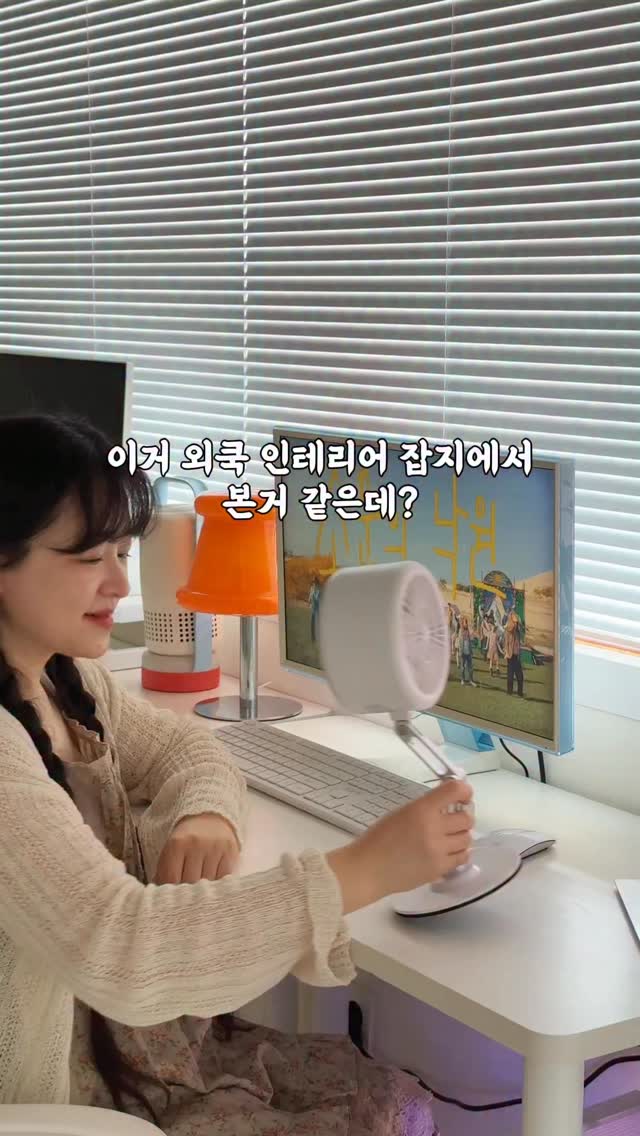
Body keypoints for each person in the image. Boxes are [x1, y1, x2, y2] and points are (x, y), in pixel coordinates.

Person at [0, 414, 474, 1135]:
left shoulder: (65, 680)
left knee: (386, 1099)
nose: (120, 582)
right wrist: (365, 870)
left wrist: (206, 814)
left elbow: (188, 749)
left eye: (124, 552)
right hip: (52, 1102)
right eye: (90, 557)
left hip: (124, 1054)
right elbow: (122, 948)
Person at [504, 611, 524, 696]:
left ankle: (519, 693)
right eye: (515, 622)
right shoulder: (508, 631)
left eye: (516, 623)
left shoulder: (517, 632)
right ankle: (510, 692)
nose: (516, 624)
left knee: (520, 676)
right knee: (510, 675)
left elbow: (519, 643)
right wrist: (506, 652)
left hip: (516, 655)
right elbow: (506, 643)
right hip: (510, 655)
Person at [458, 617, 477, 687]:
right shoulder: (461, 631)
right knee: (462, 667)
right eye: (465, 623)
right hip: (463, 652)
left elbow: (470, 641)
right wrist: (460, 651)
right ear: (462, 624)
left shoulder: (468, 631)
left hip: (468, 652)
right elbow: (460, 642)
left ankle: (471, 680)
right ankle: (462, 679)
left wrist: (471, 651)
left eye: (467, 622)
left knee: (470, 667)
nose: (466, 624)